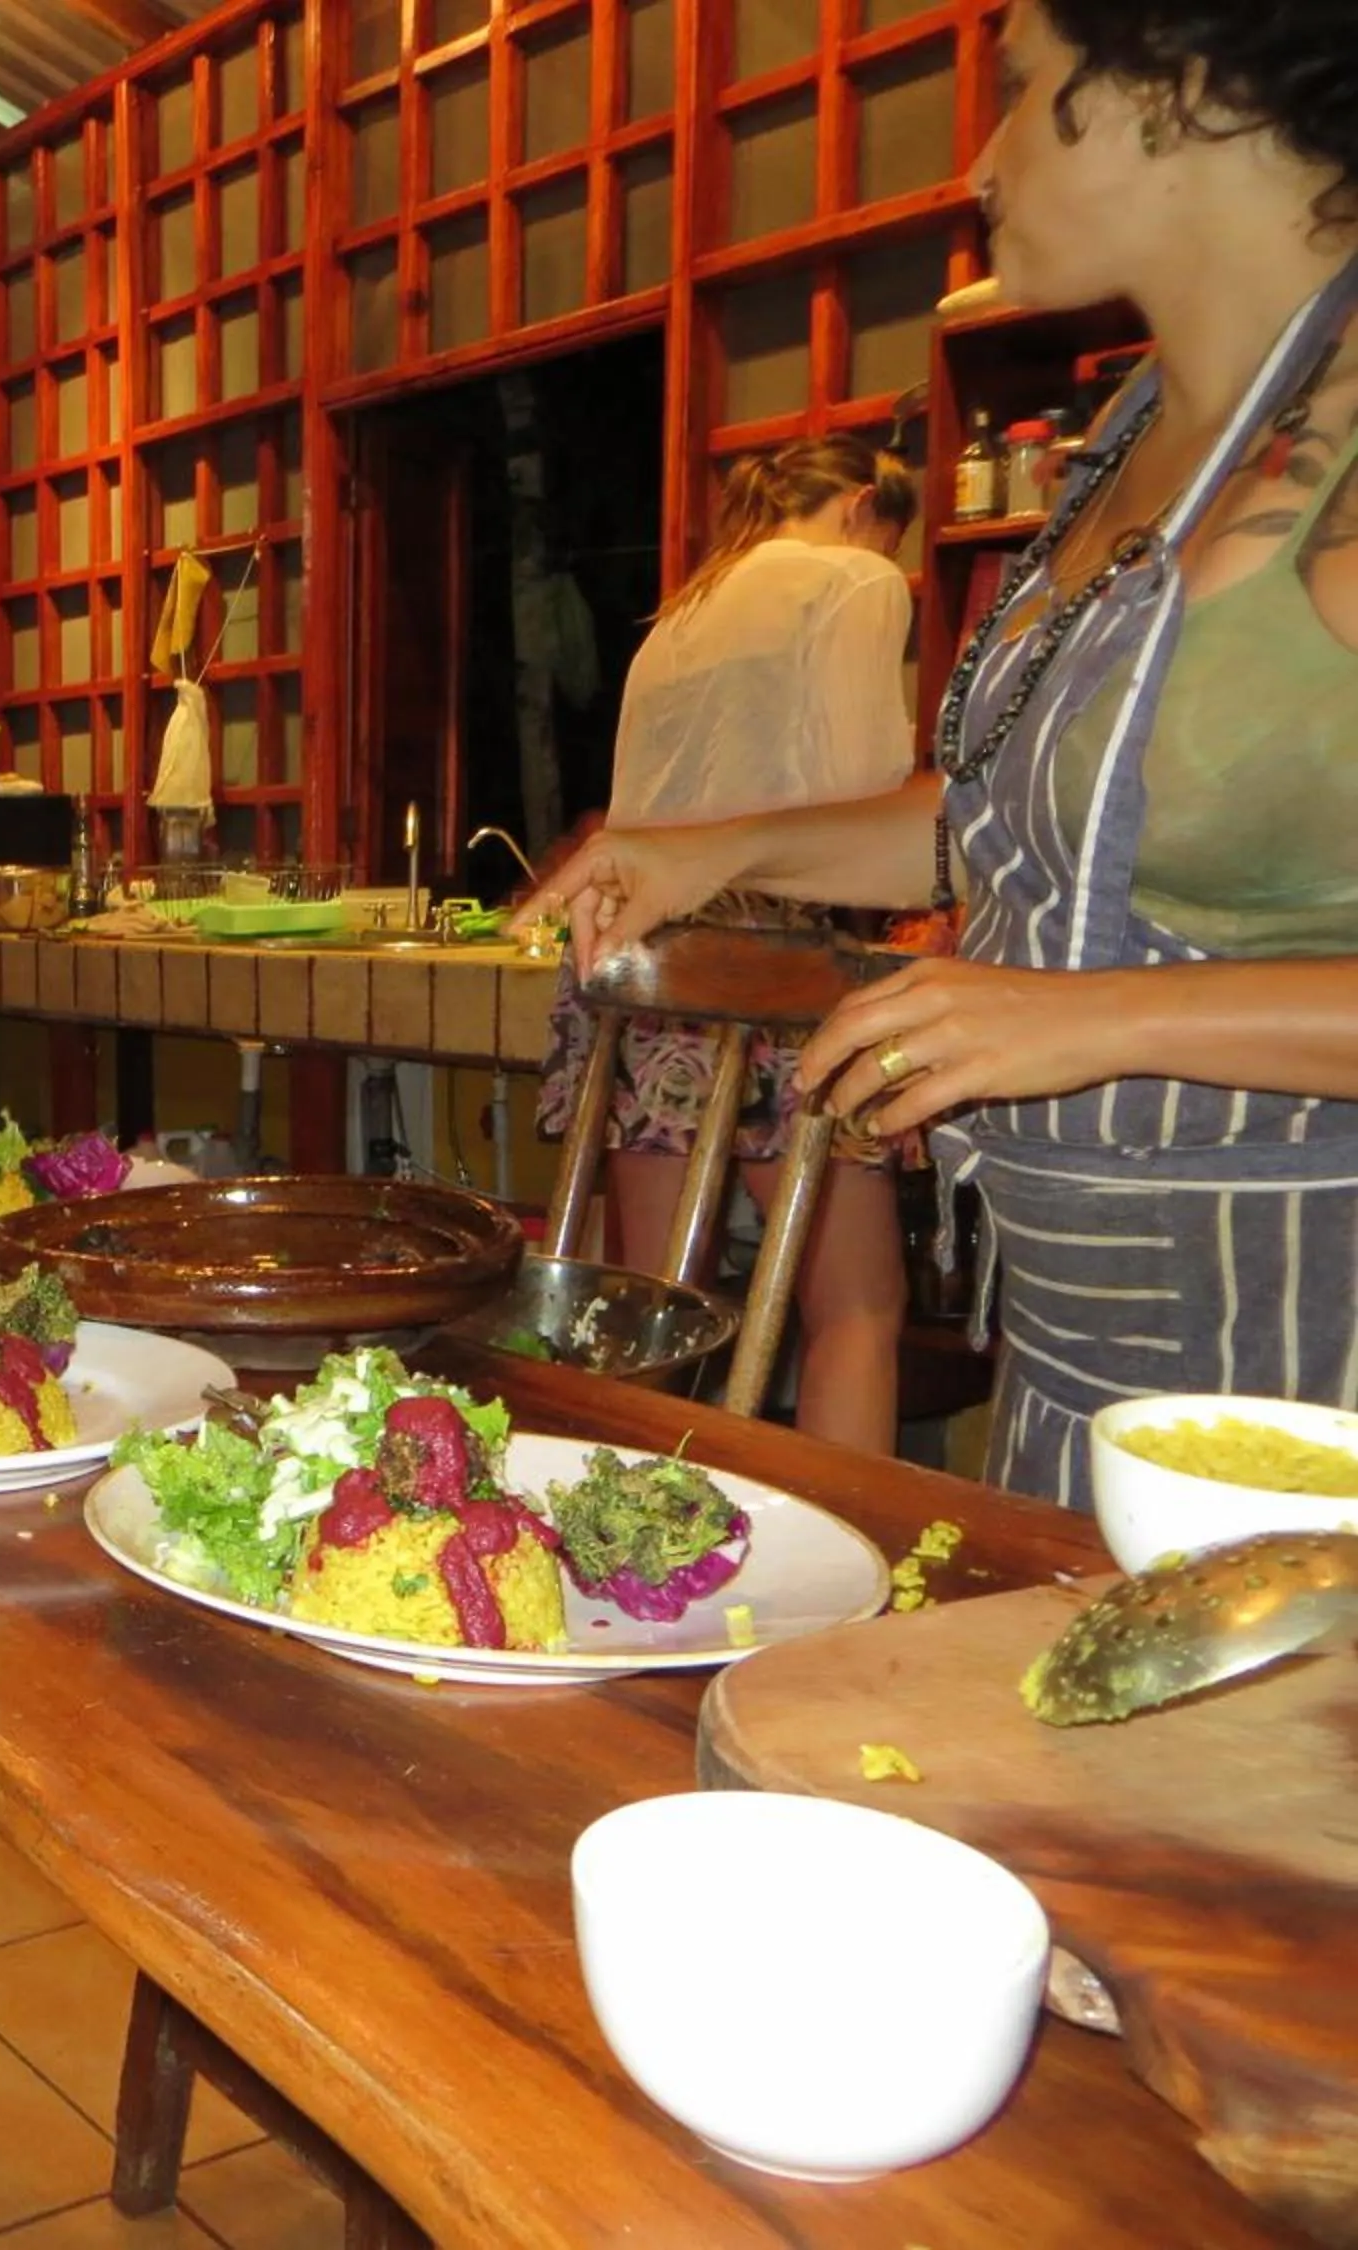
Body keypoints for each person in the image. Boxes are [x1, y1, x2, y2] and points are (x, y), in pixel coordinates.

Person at [527, 0, 1358, 1509]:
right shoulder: (1140, 433)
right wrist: (724, 848)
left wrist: (1088, 1019)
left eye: (1025, 91)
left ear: (1179, 90)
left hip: (1312, 1361)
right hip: (1078, 1350)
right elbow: (1009, 817)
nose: (979, 160)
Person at [535, 434, 921, 1455]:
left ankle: (636, 1561)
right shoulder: (858, 578)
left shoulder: (685, 607)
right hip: (786, 972)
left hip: (651, 970)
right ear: (859, 511)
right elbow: (870, 792)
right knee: (856, 1310)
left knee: (655, 1312)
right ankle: (851, 1571)